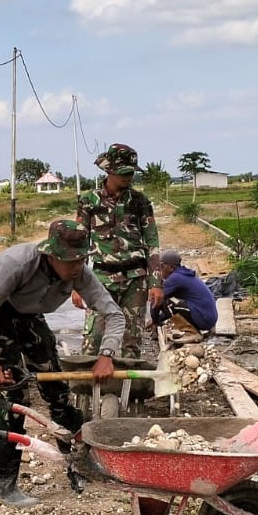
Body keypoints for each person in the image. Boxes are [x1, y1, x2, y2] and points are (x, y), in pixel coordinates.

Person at [0, 219, 123, 508]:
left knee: (59, 391)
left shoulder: (80, 273)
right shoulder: (16, 265)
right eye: (70, 260)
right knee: (15, 398)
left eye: (81, 259)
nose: (77, 266)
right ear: (51, 255)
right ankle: (3, 485)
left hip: (30, 315)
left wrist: (106, 355)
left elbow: (114, 314)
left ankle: (78, 464)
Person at [75, 143, 160, 359]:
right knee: (93, 339)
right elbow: (79, 243)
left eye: (131, 173)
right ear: (109, 171)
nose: (129, 177)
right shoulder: (89, 201)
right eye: (124, 173)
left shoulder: (140, 202)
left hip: (135, 280)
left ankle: (129, 382)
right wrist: (75, 285)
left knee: (132, 341)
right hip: (101, 279)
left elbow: (152, 243)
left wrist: (156, 283)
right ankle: (86, 381)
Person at [149, 250, 218, 340]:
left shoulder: (175, 278)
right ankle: (193, 330)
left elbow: (156, 301)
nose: (160, 271)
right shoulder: (182, 274)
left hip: (204, 319)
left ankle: (192, 333)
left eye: (162, 267)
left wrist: (155, 322)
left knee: (166, 302)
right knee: (169, 302)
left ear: (171, 267)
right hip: (207, 318)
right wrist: (158, 320)